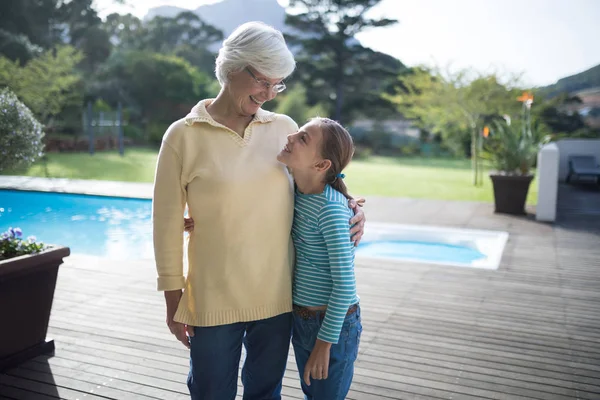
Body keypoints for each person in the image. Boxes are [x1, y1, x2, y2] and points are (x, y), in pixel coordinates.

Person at [152, 21, 365, 400]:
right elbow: (165, 226)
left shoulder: (282, 128)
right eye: (263, 81)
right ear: (233, 66)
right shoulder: (182, 135)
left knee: (265, 394)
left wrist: (351, 208)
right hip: (211, 298)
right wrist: (174, 303)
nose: (269, 94)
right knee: (210, 392)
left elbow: (314, 182)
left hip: (277, 298)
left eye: (277, 84)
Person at [277, 117, 362, 399]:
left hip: (332, 326)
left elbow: (345, 286)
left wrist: (324, 344)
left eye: (303, 138)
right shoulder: (296, 192)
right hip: (303, 319)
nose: (291, 137)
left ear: (321, 165)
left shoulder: (331, 209)